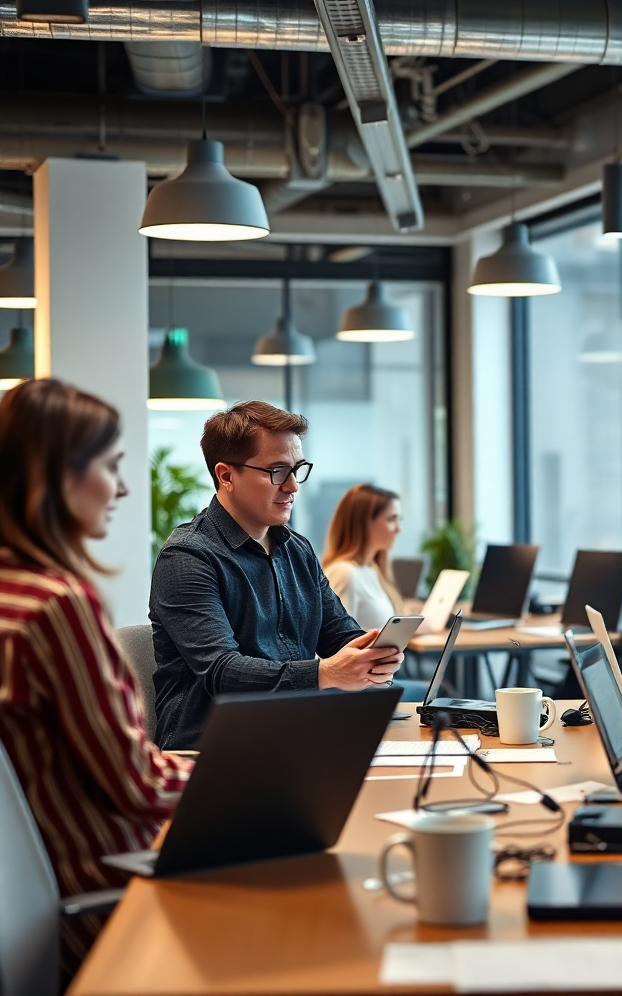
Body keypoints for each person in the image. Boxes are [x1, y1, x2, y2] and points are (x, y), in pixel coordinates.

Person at [0, 379, 193, 977]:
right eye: (111, 466)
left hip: (40, 891)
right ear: (56, 477)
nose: (125, 486)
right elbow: (136, 784)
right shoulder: (55, 605)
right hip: (106, 891)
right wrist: (244, 774)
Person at [150, 401, 402, 751]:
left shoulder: (296, 549)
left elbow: (339, 635)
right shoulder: (188, 557)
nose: (293, 487)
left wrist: (372, 655)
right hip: (214, 749)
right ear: (226, 476)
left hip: (296, 733)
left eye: (298, 470)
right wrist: (325, 673)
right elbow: (222, 672)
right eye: (278, 471)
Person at [323, 483, 405, 630]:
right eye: (392, 519)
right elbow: (338, 644)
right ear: (364, 522)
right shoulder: (344, 573)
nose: (399, 529)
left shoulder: (372, 569)